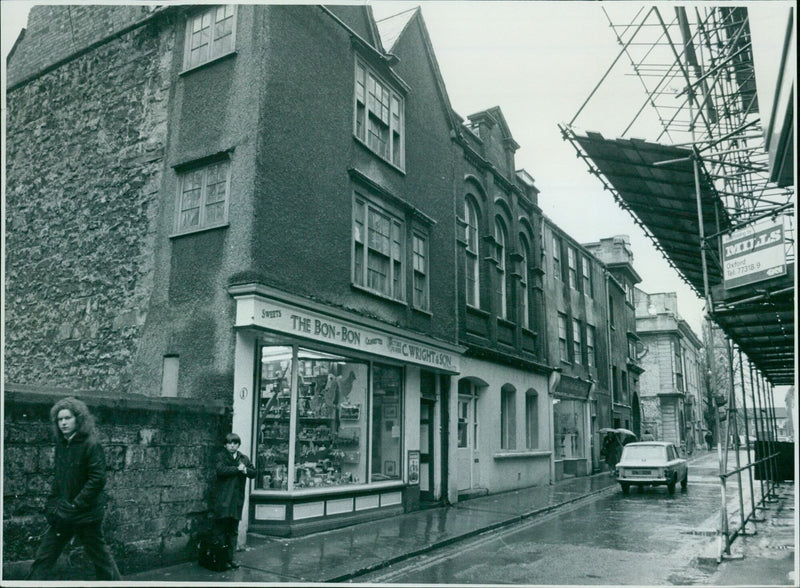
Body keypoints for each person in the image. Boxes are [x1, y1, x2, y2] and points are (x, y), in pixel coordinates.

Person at [27, 397, 121, 581]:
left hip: (86, 515)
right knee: (44, 558)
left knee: (102, 560)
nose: (63, 423)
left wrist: (75, 505)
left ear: (78, 419)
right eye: (59, 419)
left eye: (67, 418)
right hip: (62, 514)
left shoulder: (91, 444)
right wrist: (52, 505)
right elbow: (59, 479)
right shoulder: (62, 444)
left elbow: (97, 480)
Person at [212, 433, 256, 569]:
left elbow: (253, 473)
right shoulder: (221, 456)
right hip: (224, 500)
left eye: (235, 443)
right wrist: (238, 469)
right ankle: (220, 560)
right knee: (221, 531)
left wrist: (245, 470)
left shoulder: (244, 458)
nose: (232, 446)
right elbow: (220, 470)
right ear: (225, 445)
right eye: (230, 443)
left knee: (233, 531)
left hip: (236, 501)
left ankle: (231, 559)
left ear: (238, 445)